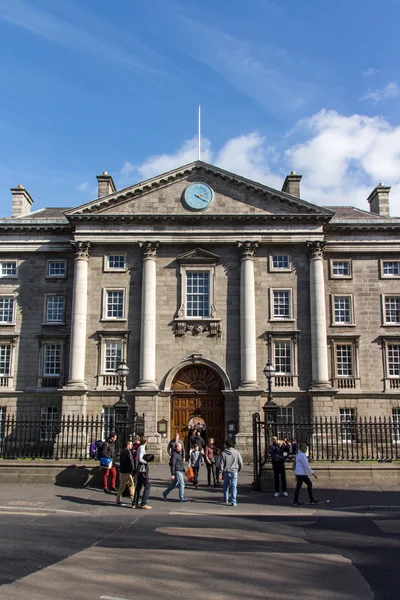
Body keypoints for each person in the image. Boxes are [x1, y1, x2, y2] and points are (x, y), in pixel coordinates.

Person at [220, 439, 243, 506]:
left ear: (226, 445)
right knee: (234, 487)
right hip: (234, 471)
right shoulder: (236, 452)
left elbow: (221, 464)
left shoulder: (223, 453)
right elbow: (240, 462)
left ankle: (226, 498)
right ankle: (234, 501)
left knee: (226, 486)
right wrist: (239, 469)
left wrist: (220, 472)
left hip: (226, 471)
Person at [133, 436, 152, 509]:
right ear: (145, 441)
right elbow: (141, 459)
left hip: (139, 469)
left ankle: (135, 503)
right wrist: (147, 461)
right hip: (142, 469)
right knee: (147, 486)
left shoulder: (140, 447)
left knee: (138, 486)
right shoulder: (142, 447)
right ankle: (143, 502)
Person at [116, 440, 135, 506]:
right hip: (125, 472)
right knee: (122, 486)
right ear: (127, 445)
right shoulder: (125, 452)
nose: (132, 446)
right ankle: (119, 499)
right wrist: (130, 469)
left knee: (131, 485)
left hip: (127, 472)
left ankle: (133, 500)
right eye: (131, 445)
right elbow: (125, 463)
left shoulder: (128, 451)